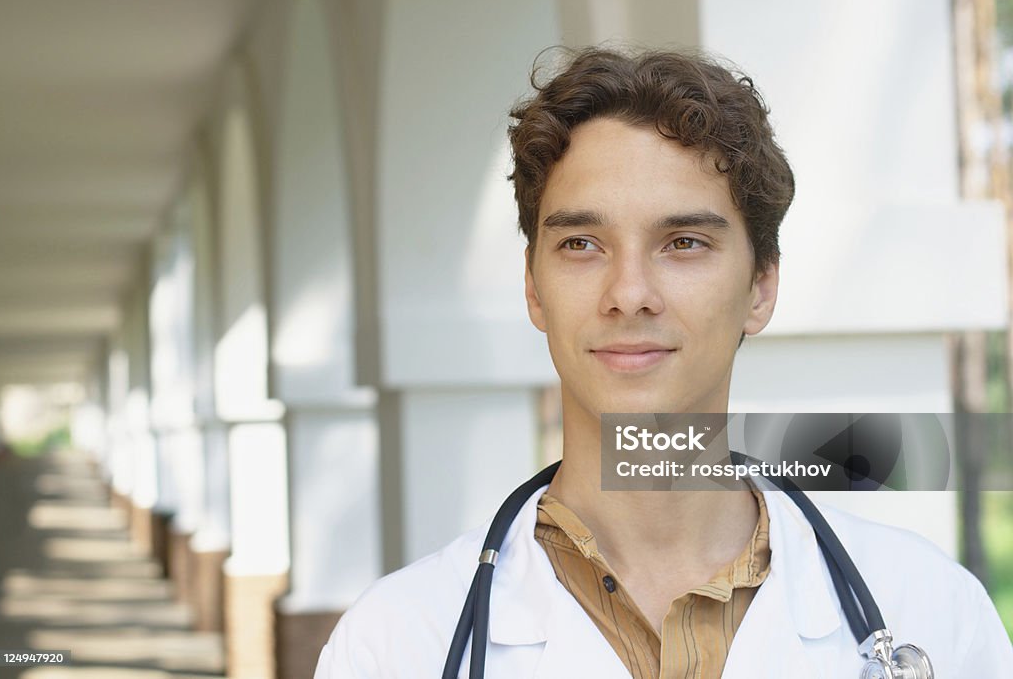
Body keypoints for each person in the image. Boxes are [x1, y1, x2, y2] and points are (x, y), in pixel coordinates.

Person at [314, 47, 1013, 678]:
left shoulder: (934, 613)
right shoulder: (393, 644)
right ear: (533, 287)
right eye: (582, 244)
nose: (628, 294)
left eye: (682, 242)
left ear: (761, 286)